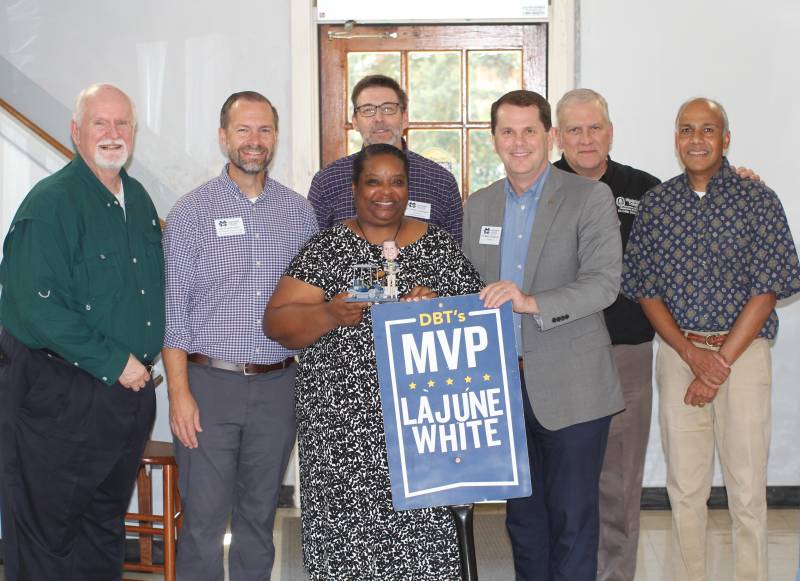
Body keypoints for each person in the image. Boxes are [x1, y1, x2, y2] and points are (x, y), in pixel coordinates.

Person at [265, 143, 483, 580]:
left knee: (425, 550)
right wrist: (328, 313)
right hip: (342, 434)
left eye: (397, 181)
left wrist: (438, 307)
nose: (386, 192)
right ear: (354, 189)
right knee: (349, 552)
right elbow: (277, 322)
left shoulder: (437, 247)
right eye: (374, 181)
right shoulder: (328, 248)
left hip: (422, 430)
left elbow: (477, 324)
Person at [622, 97, 800, 581]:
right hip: (680, 354)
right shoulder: (659, 203)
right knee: (685, 487)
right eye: (686, 129)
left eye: (707, 130)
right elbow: (644, 288)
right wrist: (690, 354)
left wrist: (718, 362)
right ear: (675, 138)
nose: (695, 139)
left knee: (745, 489)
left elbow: (769, 287)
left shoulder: (757, 199)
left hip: (742, 356)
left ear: (726, 138)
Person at [0, 83, 163, 581]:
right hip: (60, 397)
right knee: (49, 539)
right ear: (75, 132)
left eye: (122, 125)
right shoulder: (51, 203)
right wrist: (117, 362)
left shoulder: (136, 198)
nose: (113, 134)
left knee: (103, 527)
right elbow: (33, 308)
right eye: (100, 123)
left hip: (125, 400)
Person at [462, 89, 624, 581]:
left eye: (529, 130)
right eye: (507, 131)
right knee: (523, 521)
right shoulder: (478, 206)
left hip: (572, 386)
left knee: (573, 521)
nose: (519, 142)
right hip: (503, 390)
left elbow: (603, 283)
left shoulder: (589, 197)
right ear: (493, 140)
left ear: (549, 136)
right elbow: (467, 288)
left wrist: (531, 302)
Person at [162, 91, 317, 581]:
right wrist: (180, 394)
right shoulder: (190, 212)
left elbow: (311, 306)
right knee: (204, 521)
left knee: (258, 517)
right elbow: (174, 312)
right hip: (210, 386)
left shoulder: (298, 213)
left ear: (276, 137)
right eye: (244, 130)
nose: (255, 141)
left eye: (265, 130)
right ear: (223, 136)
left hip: (278, 386)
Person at [308, 74, 464, 243]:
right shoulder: (328, 181)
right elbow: (313, 256)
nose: (379, 118)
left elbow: (457, 255)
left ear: (404, 118)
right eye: (368, 110)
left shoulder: (440, 181)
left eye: (388, 108)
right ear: (355, 122)